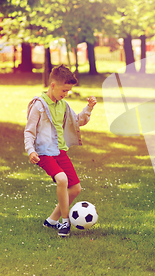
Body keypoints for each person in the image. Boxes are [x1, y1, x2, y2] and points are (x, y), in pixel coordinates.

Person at [24, 65, 97, 237]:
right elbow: (29, 130)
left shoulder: (63, 105)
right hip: (43, 152)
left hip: (59, 152)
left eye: (68, 91)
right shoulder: (39, 105)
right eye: (64, 90)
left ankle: (51, 220)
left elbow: (77, 121)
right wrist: (30, 150)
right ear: (53, 85)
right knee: (62, 179)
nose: (65, 94)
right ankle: (65, 222)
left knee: (76, 188)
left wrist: (89, 108)